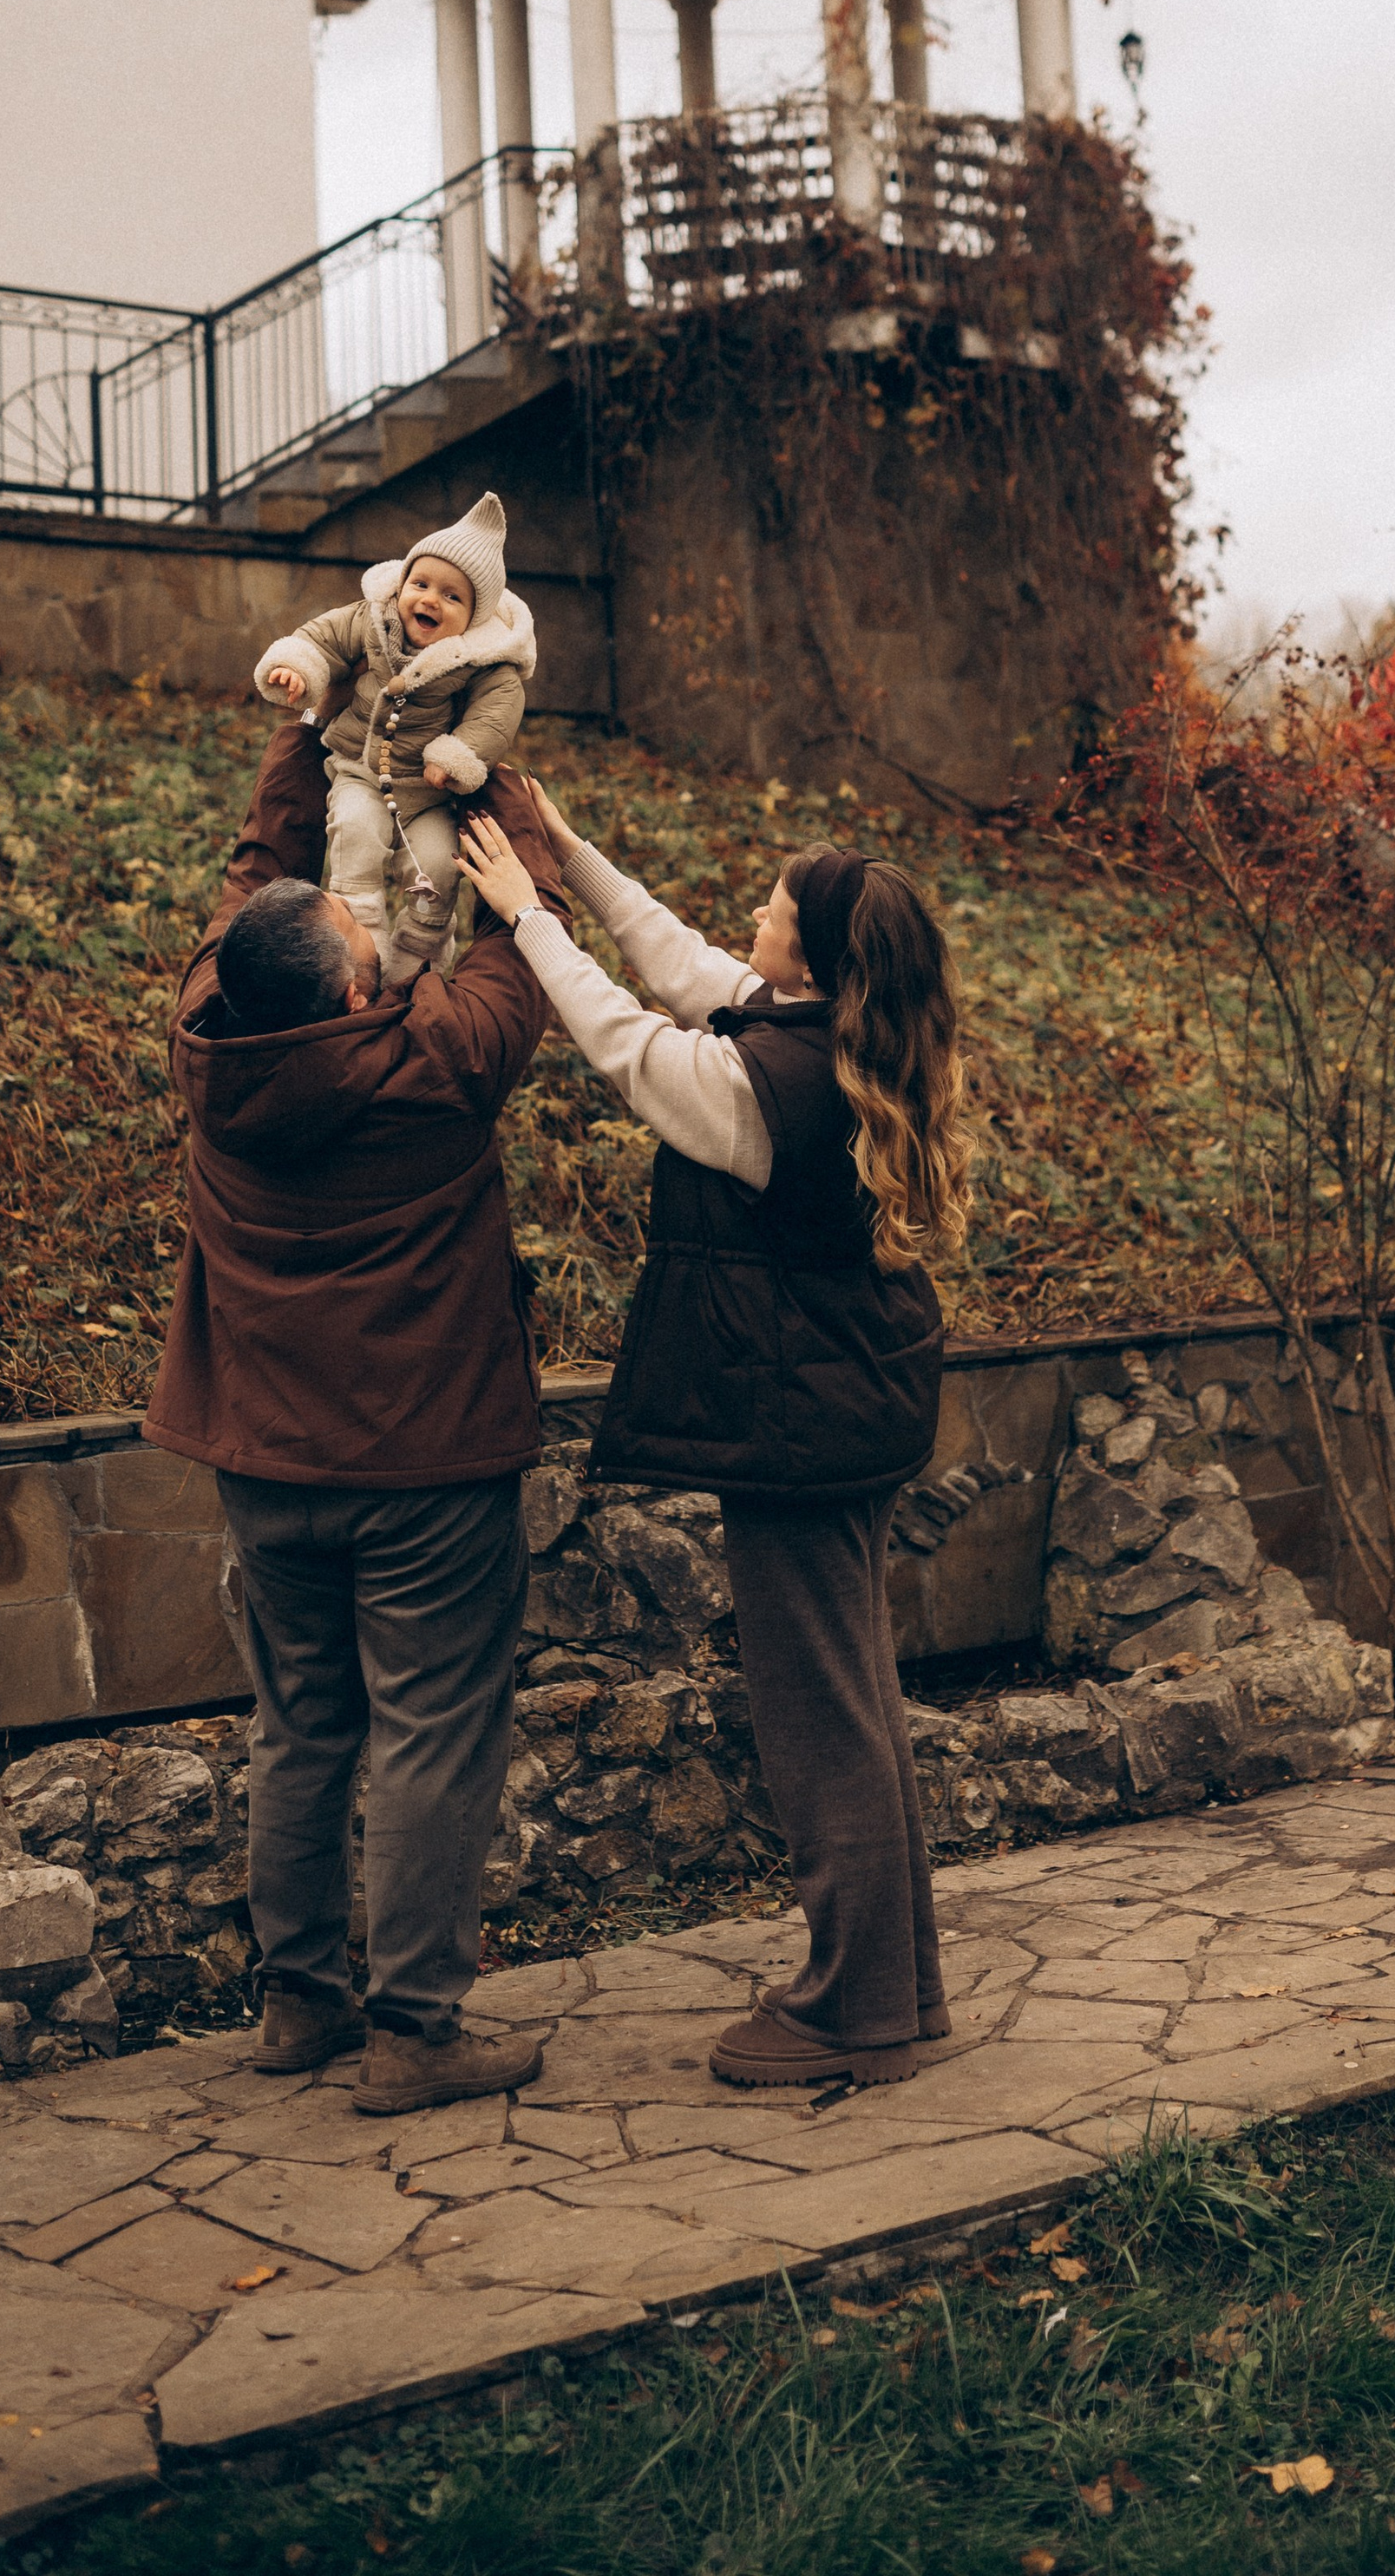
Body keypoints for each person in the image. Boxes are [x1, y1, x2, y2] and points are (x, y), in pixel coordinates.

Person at [462, 784, 972, 2090]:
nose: (753, 917)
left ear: (813, 953)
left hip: (801, 1430)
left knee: (819, 1718)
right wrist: (568, 846)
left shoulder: (769, 1092)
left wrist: (527, 922)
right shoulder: (827, 1034)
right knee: (856, 1700)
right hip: (854, 1410)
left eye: (775, 909)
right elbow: (684, 964)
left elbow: (634, 1046)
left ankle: (853, 2008)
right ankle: (894, 1990)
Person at [146, 715, 567, 2114]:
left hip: (267, 1458)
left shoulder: (212, 1036)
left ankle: (297, 2004)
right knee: (432, 1730)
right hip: (427, 1467)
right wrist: (490, 778)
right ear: (340, 986)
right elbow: (524, 956)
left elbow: (249, 874)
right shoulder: (433, 1057)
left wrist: (299, 728)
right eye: (357, 931)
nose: (376, 930)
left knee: (301, 1725)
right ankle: (416, 2033)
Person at [253, 490, 536, 980]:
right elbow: (323, 636)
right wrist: (298, 668)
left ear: (474, 617)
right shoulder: (373, 619)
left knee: (439, 867)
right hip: (361, 771)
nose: (430, 600)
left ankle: (419, 958)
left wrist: (461, 752)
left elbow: (499, 708)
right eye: (420, 583)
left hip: (427, 792)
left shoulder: (479, 660)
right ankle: (358, 945)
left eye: (452, 596)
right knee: (355, 836)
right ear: (402, 582)